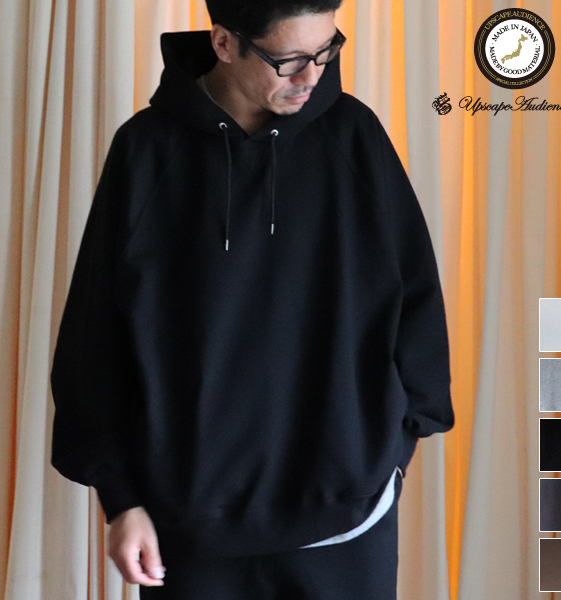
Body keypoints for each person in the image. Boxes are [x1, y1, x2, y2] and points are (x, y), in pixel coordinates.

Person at [50, 0, 455, 598]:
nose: (312, 76)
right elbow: (96, 334)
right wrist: (122, 498)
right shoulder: (147, 149)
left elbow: (417, 296)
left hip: (347, 511)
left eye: (326, 52)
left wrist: (396, 449)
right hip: (189, 520)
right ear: (224, 43)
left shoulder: (353, 135)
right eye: (288, 60)